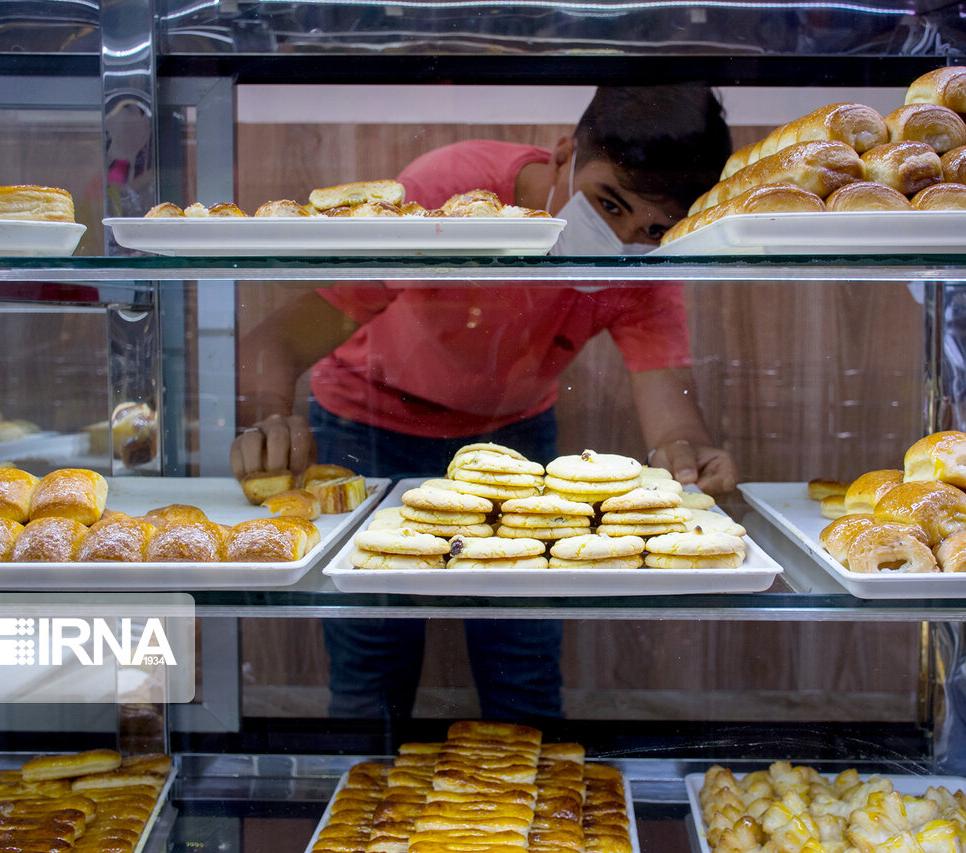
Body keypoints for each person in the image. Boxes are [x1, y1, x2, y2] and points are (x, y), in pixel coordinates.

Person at [230, 85, 738, 720]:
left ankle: (535, 818)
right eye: (608, 203)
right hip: (368, 426)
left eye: (655, 227)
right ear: (562, 156)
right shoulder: (452, 189)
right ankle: (360, 807)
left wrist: (691, 460)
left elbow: (671, 414)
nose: (623, 236)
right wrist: (270, 418)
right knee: (371, 658)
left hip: (514, 441)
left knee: (523, 655)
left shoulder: (644, 261)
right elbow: (275, 343)